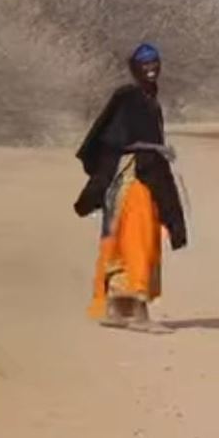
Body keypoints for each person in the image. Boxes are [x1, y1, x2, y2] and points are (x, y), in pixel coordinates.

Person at [74, 43, 187, 334]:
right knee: (139, 240)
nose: (151, 68)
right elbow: (116, 140)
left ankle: (116, 310)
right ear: (135, 67)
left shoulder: (149, 99)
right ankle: (138, 313)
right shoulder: (129, 98)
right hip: (133, 177)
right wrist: (157, 148)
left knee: (124, 241)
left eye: (155, 63)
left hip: (142, 174)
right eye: (145, 63)